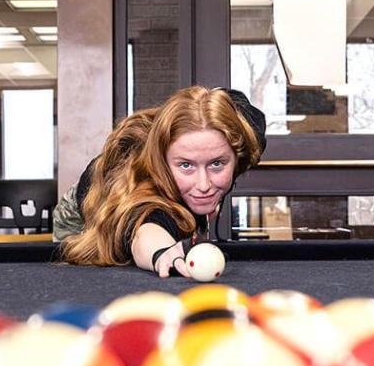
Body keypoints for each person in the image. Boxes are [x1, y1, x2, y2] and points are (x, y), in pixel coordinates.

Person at [54, 86, 267, 277]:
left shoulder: (242, 134)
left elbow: (241, 105)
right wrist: (162, 253)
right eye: (186, 165)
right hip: (89, 206)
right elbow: (147, 232)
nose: (204, 185)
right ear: (163, 161)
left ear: (237, 153)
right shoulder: (149, 196)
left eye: (216, 164)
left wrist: (210, 101)